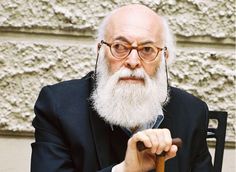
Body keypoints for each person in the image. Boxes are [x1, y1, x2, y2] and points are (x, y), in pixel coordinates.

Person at [31, 4, 213, 172]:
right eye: (119, 47)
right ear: (101, 51)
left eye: (147, 49)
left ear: (164, 57)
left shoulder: (193, 113)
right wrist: (125, 169)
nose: (133, 62)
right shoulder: (57, 106)